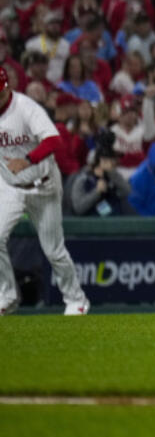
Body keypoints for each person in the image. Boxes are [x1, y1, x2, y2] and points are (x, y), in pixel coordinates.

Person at [0, 67, 90, 315]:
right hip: (9, 186)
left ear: (7, 87)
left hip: (43, 185)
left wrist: (28, 160)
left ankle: (76, 300)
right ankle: (6, 296)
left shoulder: (26, 107)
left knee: (54, 251)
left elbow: (53, 140)